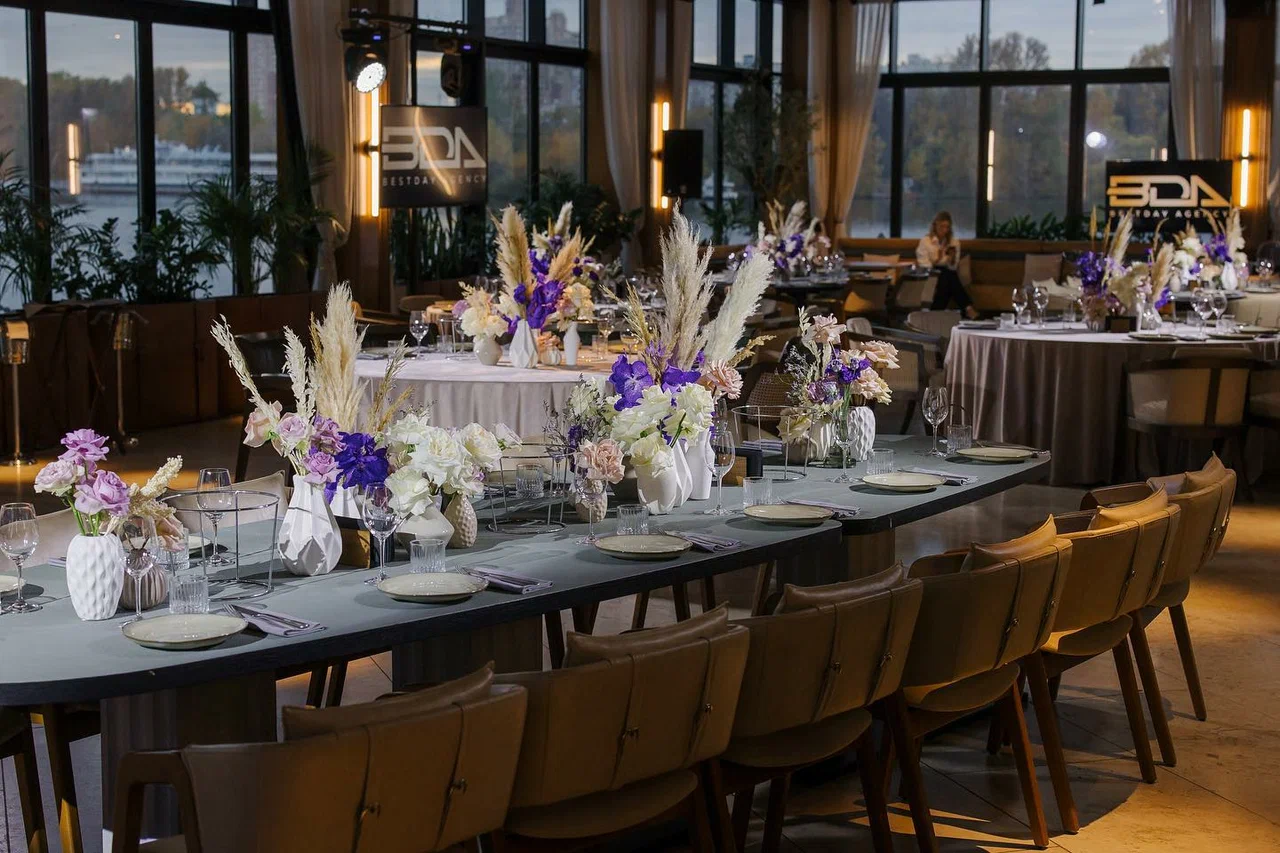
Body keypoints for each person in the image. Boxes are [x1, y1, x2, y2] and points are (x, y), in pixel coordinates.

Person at [916, 211, 980, 320]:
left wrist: (951, 259)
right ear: (935, 225)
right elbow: (924, 264)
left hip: (947, 273)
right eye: (942, 226)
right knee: (948, 277)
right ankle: (968, 308)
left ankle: (935, 313)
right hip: (930, 274)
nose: (944, 230)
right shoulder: (926, 241)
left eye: (947, 227)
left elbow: (953, 267)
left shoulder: (954, 242)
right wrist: (938, 259)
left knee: (947, 277)